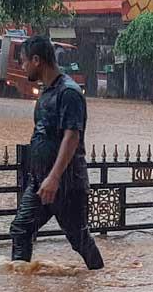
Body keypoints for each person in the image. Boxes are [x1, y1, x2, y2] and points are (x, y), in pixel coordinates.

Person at [9, 36, 104, 269]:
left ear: (37, 60)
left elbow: (72, 137)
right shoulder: (45, 93)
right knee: (21, 229)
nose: (22, 67)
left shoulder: (69, 93)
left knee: (78, 238)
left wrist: (54, 177)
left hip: (66, 183)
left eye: (23, 62)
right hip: (40, 182)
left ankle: (100, 278)